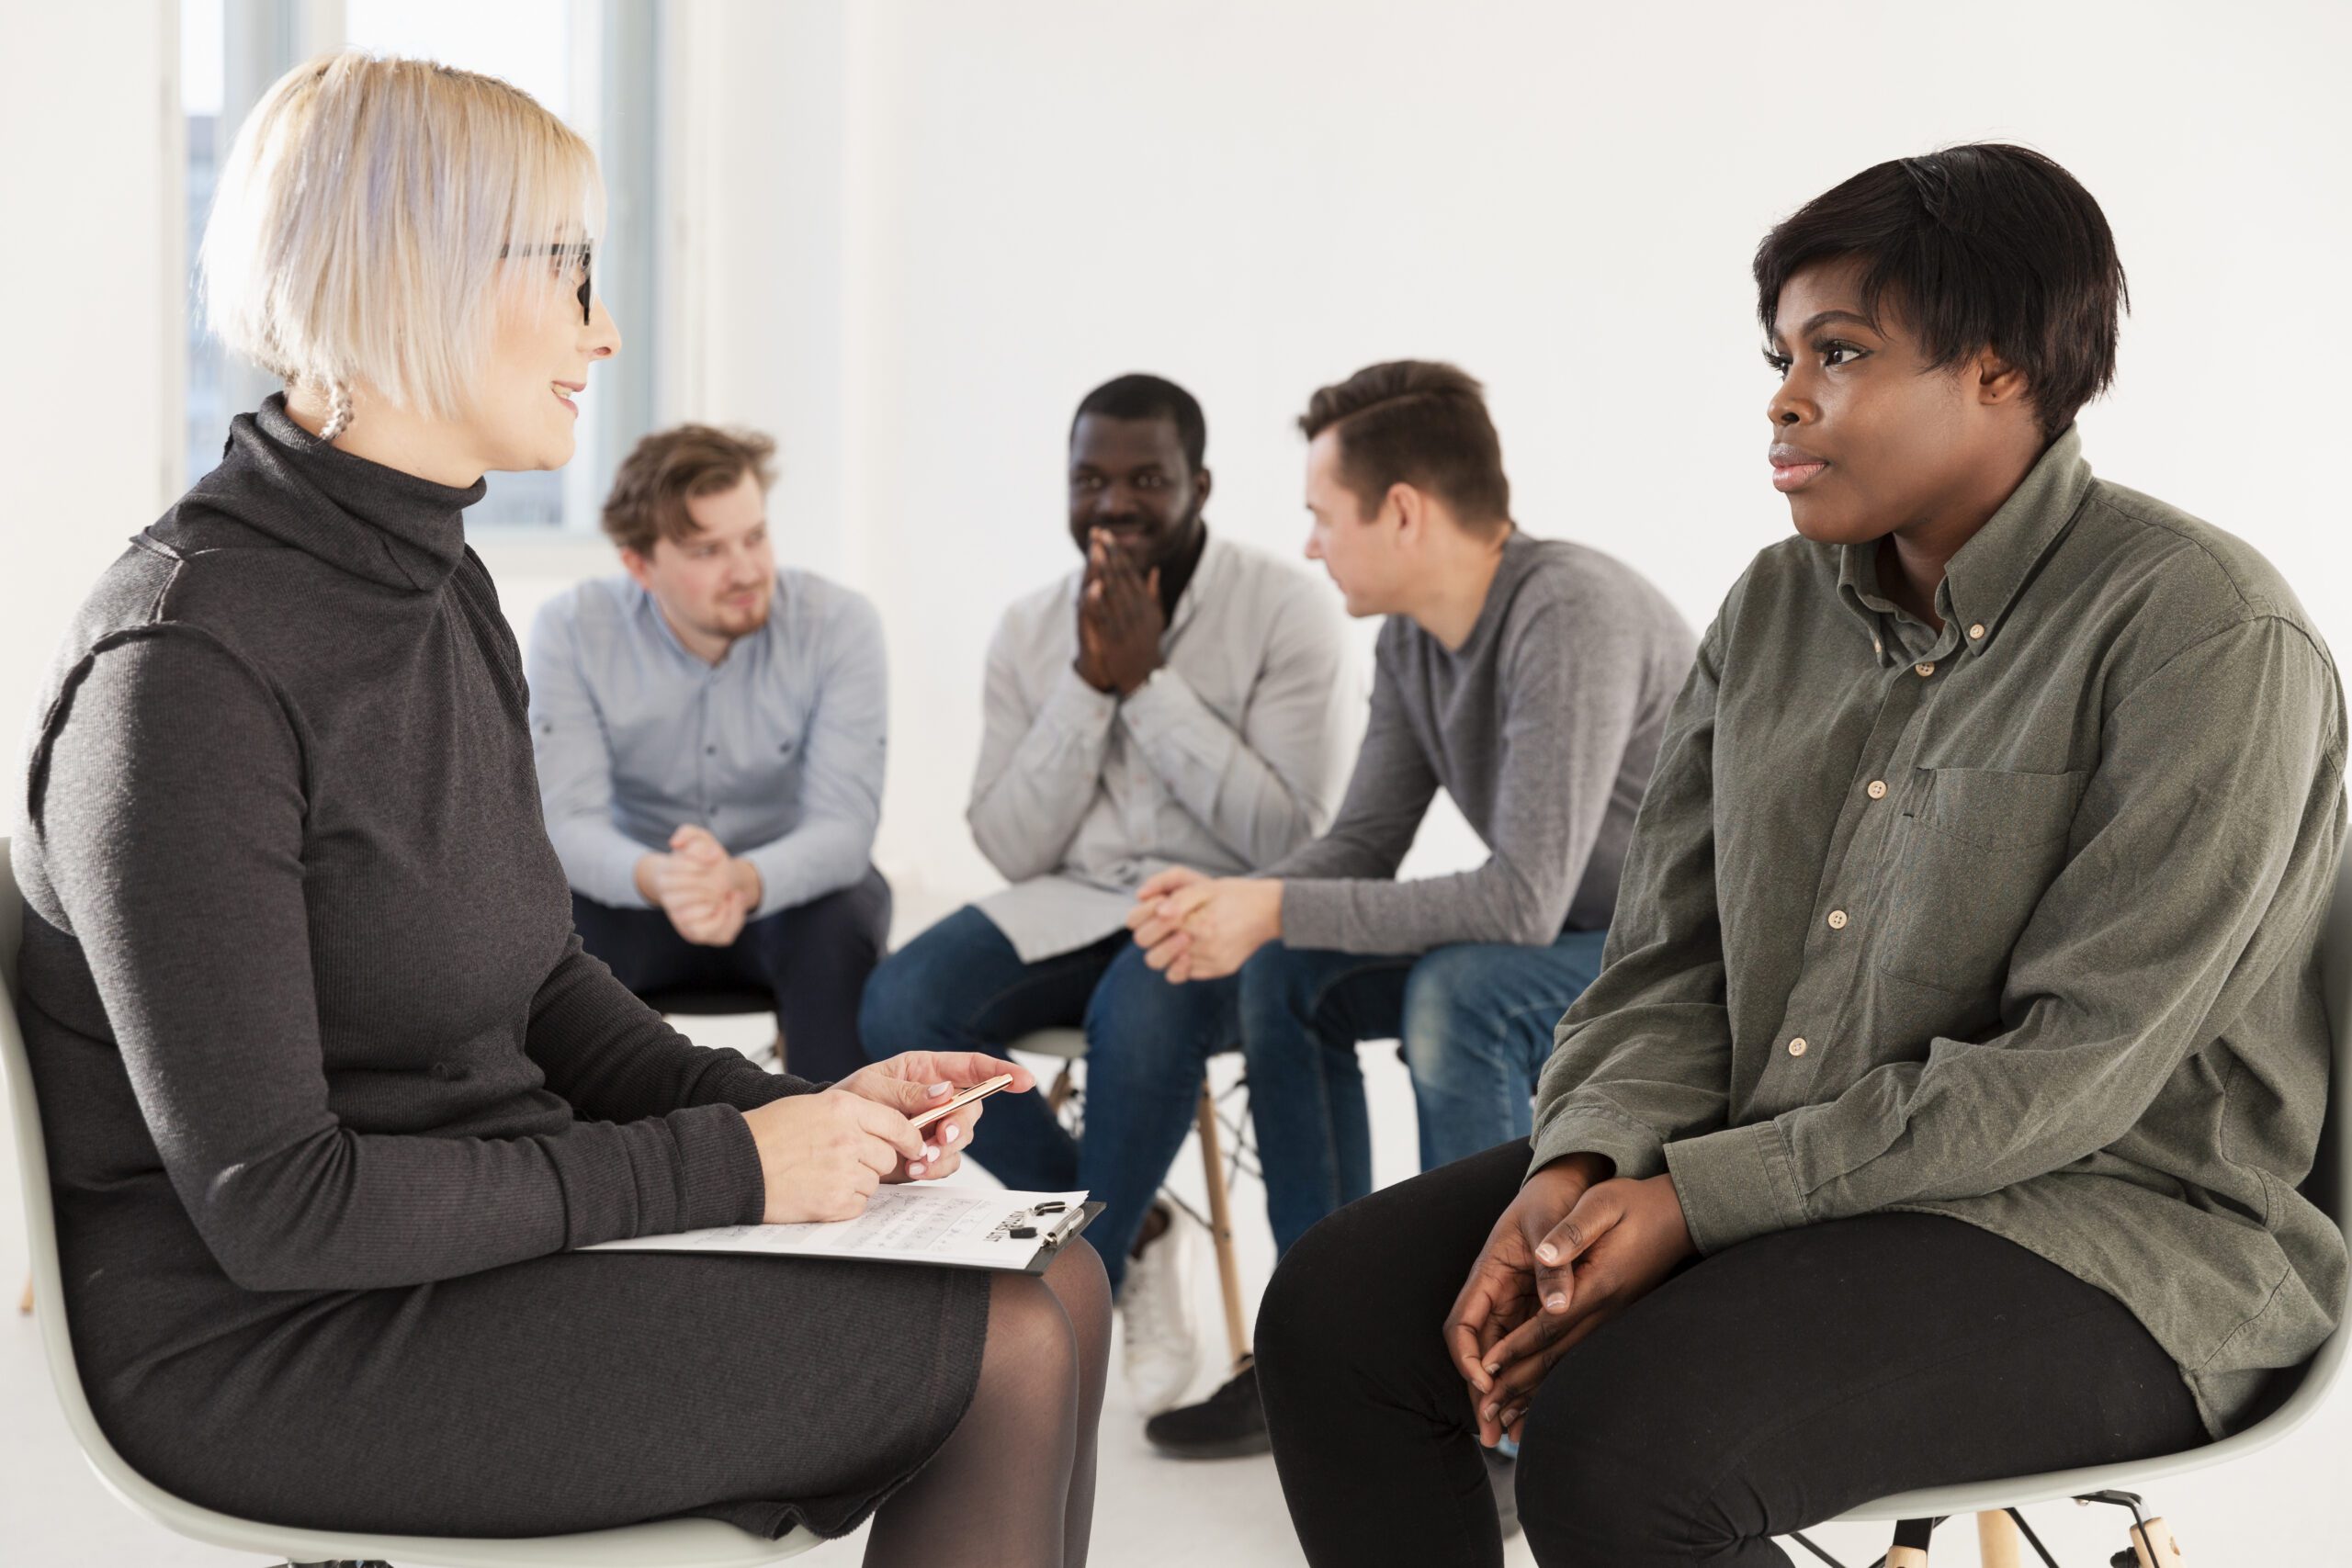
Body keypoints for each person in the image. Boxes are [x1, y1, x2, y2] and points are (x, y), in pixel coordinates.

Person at [11, 53, 1107, 1567]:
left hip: (473, 1243)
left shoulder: (440, 585)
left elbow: (536, 982)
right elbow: (282, 1207)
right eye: (568, 270)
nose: (604, 328)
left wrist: (796, 1114)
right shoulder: (182, 670)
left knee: (1063, 1282)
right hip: (269, 1335)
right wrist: (735, 1167)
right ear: (418, 271)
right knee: (1007, 1339)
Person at [1253, 144, 2348, 1567]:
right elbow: (1668, 961)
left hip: (2120, 1229)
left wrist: (1698, 1204)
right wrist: (1582, 1160)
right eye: (1780, 356)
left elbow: (2073, 1069)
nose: (1783, 397)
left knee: (1624, 1443)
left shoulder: (2205, 631)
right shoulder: (1772, 609)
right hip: (1788, 1157)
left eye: (1840, 352)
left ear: (2003, 368)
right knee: (1337, 1312)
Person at [1128, 361, 1694, 1461]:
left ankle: (1499, 1408)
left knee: (1457, 993)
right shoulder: (1408, 642)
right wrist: (1238, 903)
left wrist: (1273, 905)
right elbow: (1361, 847)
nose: (1308, 546)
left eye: (1321, 516)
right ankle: (1321, 1352)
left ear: (1401, 511)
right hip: (1570, 932)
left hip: (1671, 953)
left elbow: (1519, 900)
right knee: (1287, 973)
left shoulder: (1568, 612)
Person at [859, 374, 1357, 1415]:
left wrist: (1149, 684)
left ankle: (1060, 1305)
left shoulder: (1286, 609)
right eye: (1089, 480)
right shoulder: (1030, 628)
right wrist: (1090, 686)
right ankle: (1121, 1239)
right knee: (900, 1002)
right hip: (1068, 898)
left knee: (1143, 1005)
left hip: (1221, 910)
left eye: (1145, 480)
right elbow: (1010, 843)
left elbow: (1290, 835)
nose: (1113, 503)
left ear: (1199, 485)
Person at [529, 423, 889, 1082]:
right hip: (636, 886)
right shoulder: (572, 630)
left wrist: (739, 879)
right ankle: (597, 1143)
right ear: (640, 565)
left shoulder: (840, 624)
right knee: (553, 921)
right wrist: (663, 877)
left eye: (755, 537)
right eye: (708, 550)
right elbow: (567, 823)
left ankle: (840, 1134)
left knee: (842, 920)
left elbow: (843, 828)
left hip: (789, 891)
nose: (747, 570)